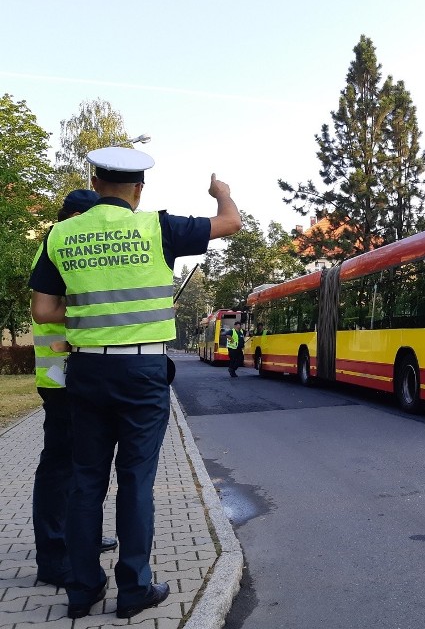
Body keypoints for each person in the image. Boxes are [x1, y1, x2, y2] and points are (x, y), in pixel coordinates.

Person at [29, 146, 241, 619]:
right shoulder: (156, 227)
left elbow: (43, 311)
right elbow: (230, 222)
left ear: (95, 182)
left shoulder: (60, 234)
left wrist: (87, 317)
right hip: (142, 373)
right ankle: (134, 589)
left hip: (85, 371)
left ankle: (82, 590)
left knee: (86, 481)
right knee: (136, 480)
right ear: (138, 190)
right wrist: (221, 192)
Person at [31, 190, 119, 588]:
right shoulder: (58, 244)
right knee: (61, 466)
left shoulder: (66, 243)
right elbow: (47, 308)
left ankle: (76, 539)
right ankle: (54, 557)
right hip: (60, 376)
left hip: (75, 373)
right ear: (79, 215)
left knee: (82, 465)